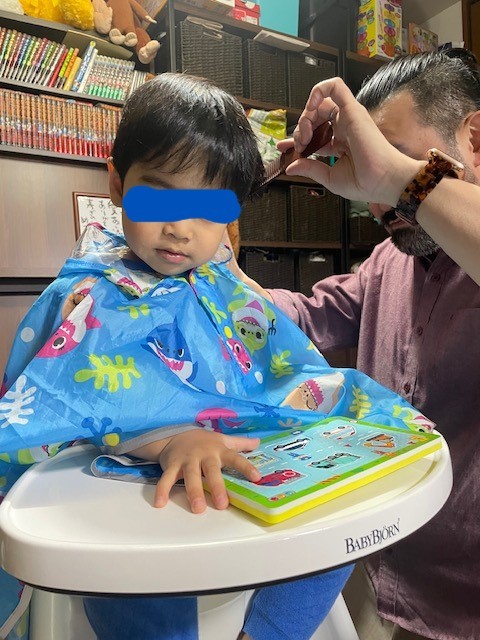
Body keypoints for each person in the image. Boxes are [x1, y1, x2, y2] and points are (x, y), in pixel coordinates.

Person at [0, 72, 434, 640]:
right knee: (137, 575)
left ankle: (267, 632)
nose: (180, 229)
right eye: (159, 197)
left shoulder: (218, 279)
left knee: (340, 521)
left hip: (243, 446)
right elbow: (74, 397)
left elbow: (274, 360)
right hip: (128, 490)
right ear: (117, 184)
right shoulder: (92, 294)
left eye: (207, 210)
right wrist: (167, 440)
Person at [233, 50, 480, 640]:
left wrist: (401, 180)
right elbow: (306, 316)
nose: (376, 204)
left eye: (391, 156)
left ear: (474, 139)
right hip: (388, 571)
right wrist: (216, 270)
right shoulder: (388, 261)